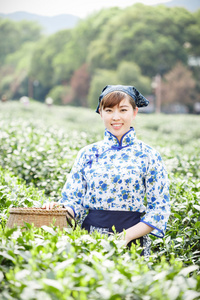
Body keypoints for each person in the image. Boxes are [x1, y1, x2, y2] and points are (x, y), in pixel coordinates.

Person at [43, 85, 170, 255]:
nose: (116, 117)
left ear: (134, 112)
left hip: (133, 244)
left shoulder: (149, 156)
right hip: (90, 242)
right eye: (109, 110)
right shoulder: (87, 154)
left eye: (123, 110)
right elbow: (74, 200)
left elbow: (159, 209)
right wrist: (60, 209)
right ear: (101, 113)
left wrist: (125, 236)